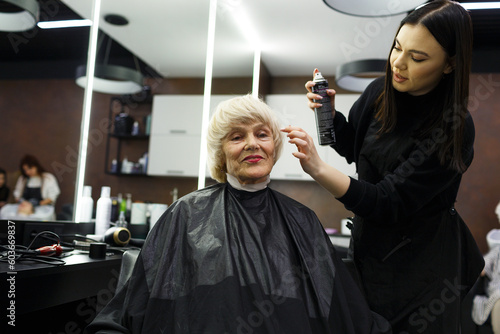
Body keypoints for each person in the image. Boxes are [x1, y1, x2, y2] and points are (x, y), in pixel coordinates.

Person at [85, 95, 391, 334]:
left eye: (262, 134)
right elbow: (136, 304)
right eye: (236, 137)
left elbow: (340, 309)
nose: (252, 144)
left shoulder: (302, 219)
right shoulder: (186, 213)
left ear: (275, 146)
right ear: (221, 153)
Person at [282, 1, 484, 333]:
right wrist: (329, 117)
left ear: (449, 65)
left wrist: (318, 169)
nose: (398, 64)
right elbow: (354, 147)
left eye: (417, 58)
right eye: (397, 48)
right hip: (371, 253)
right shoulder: (380, 92)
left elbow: (387, 202)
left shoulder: (454, 127)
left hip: (423, 269)